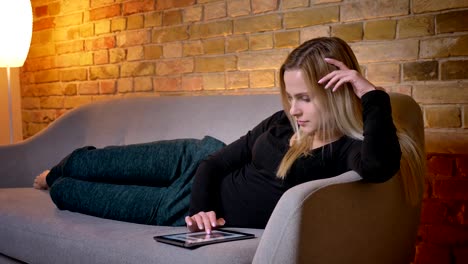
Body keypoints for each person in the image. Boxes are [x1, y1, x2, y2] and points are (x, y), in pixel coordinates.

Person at [34, 37, 425, 234]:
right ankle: (55, 169)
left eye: (305, 99)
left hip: (176, 207)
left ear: (337, 91)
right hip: (193, 159)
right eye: (291, 98)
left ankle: (55, 181)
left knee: (68, 193)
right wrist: (202, 204)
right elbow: (214, 161)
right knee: (87, 162)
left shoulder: (346, 151)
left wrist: (372, 95)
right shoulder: (281, 121)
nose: (294, 109)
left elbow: (379, 166)